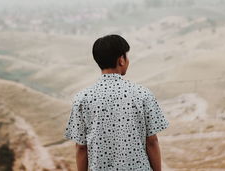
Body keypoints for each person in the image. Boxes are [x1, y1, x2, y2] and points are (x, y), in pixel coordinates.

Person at [64, 34, 169, 171]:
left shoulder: (82, 98)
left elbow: (81, 147)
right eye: (127, 56)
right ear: (121, 60)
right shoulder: (142, 94)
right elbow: (152, 142)